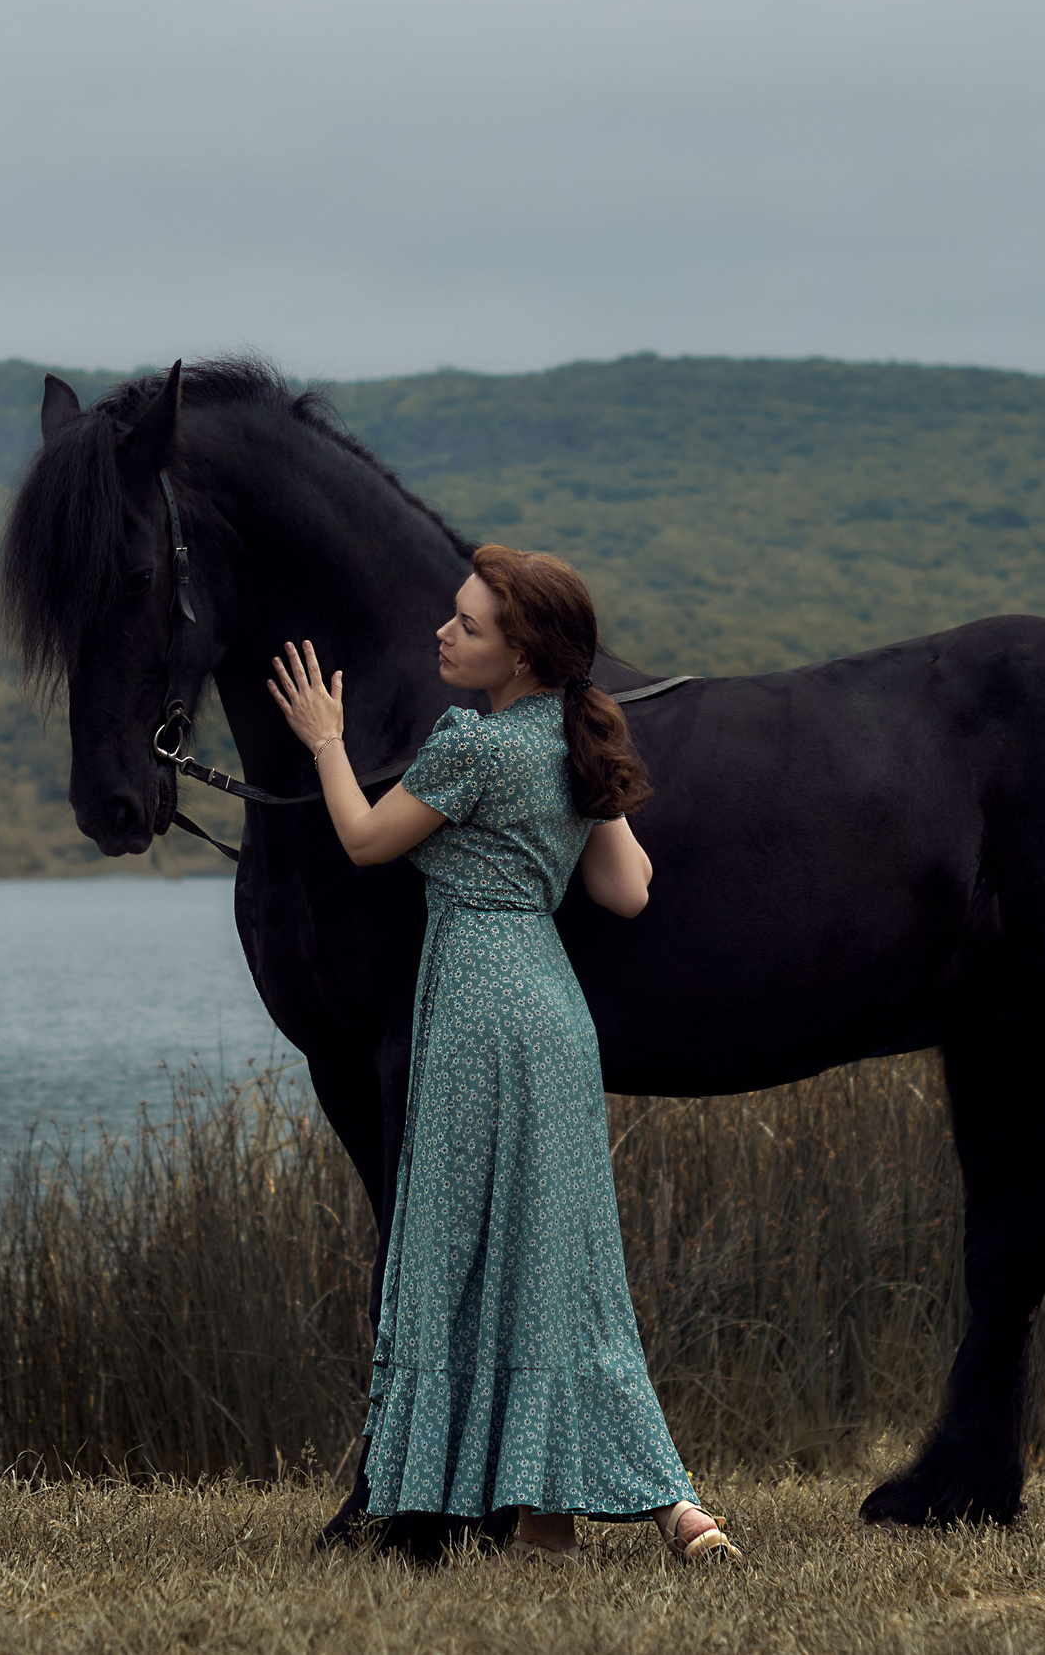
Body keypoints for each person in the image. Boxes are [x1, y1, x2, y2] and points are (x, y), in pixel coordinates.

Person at [266, 543, 737, 1565]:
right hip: (555, 1019)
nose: (446, 631)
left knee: (463, 1253)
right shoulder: (571, 748)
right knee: (557, 1264)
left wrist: (324, 740)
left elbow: (360, 841)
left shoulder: (468, 749)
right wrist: (589, 807)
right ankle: (571, 1523)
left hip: (478, 1008)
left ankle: (587, 1508)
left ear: (520, 655)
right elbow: (628, 891)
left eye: (470, 625)